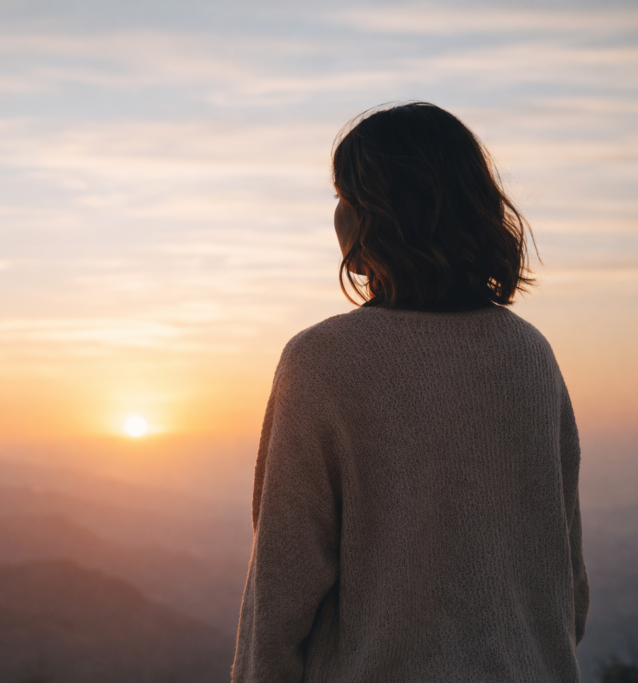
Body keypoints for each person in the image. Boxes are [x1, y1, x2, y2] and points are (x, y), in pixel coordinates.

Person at [232, 102, 589, 682]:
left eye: (343, 196)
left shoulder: (322, 361)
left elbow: (282, 587)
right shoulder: (530, 355)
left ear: (375, 215)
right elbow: (565, 580)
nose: (337, 215)